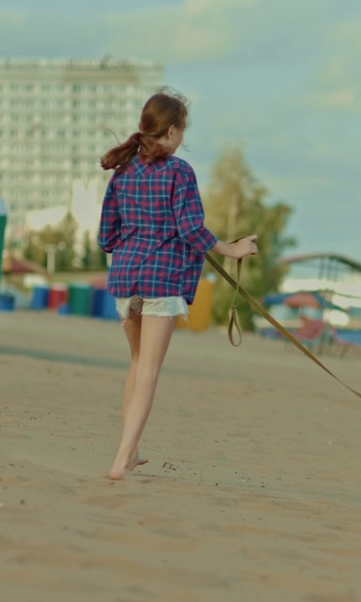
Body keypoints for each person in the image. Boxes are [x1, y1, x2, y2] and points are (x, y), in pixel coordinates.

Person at [97, 90, 258, 481]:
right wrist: (230, 250)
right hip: (162, 280)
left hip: (126, 278)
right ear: (170, 131)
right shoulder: (178, 172)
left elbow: (106, 236)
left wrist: (135, 247)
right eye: (182, 130)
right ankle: (121, 460)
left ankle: (130, 452)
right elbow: (190, 229)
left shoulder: (124, 173)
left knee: (136, 364)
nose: (182, 138)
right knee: (149, 370)